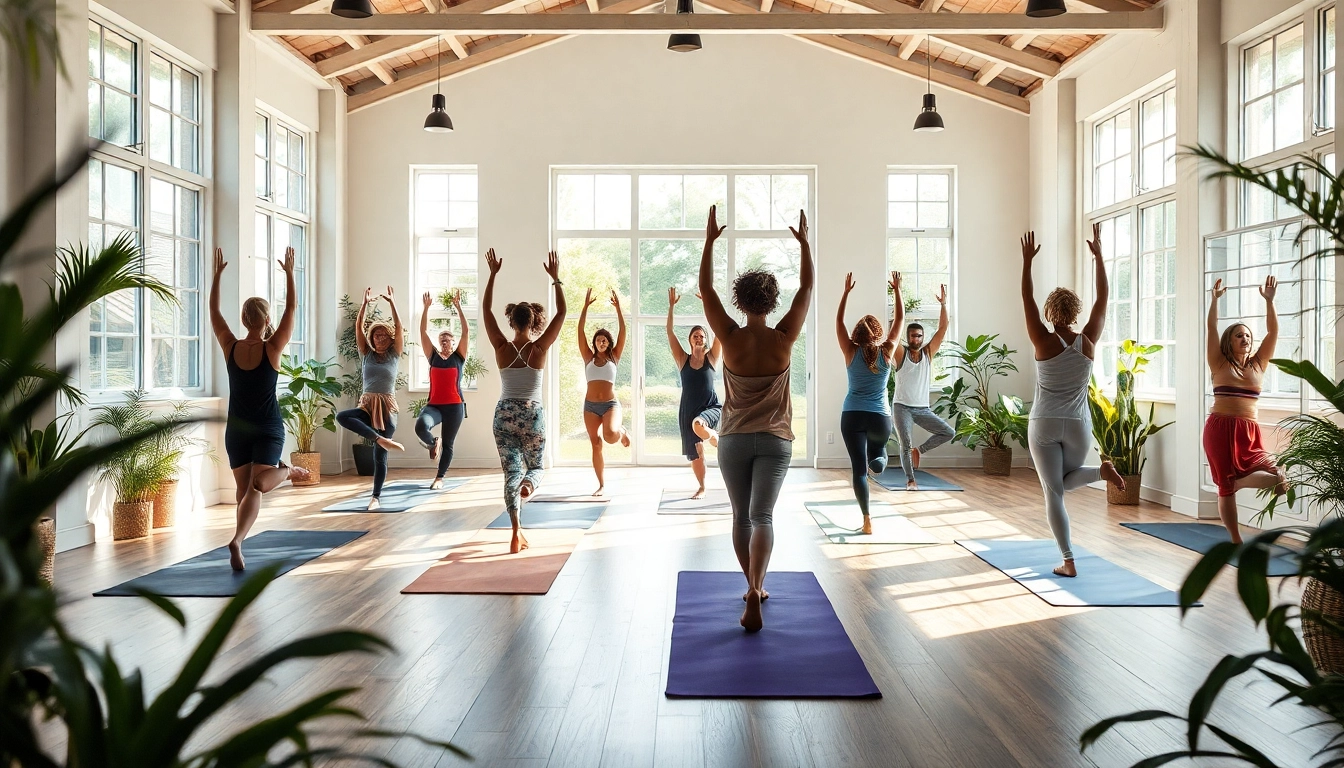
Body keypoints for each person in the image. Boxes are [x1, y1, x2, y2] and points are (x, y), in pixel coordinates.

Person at [700, 204, 813, 632]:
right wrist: (804, 245)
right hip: (775, 439)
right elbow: (807, 286)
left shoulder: (729, 337)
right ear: (772, 301)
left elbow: (705, 289)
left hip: (732, 439)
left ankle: (749, 585)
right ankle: (757, 586)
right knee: (763, 516)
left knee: (740, 517)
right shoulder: (784, 338)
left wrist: (710, 241)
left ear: (740, 300)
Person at [1021, 226, 1125, 577]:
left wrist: (1027, 262)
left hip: (1045, 422)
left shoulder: (1042, 340)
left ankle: (1068, 561)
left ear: (1050, 313)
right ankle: (1099, 472)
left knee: (1054, 492)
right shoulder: (1088, 341)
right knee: (1063, 482)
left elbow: (1026, 298)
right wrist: (1099, 257)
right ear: (1076, 311)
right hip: (1079, 426)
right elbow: (1103, 298)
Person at [209, 246, 310, 570]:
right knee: (258, 485)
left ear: (243, 320)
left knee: (244, 489)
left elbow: (214, 312)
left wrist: (217, 276)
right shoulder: (273, 347)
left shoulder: (230, 345)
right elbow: (291, 308)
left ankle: (240, 540)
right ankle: (287, 473)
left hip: (237, 429)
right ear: (267, 320)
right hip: (267, 427)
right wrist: (290, 274)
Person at [482, 247, 567, 554]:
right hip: (532, 415)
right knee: (536, 468)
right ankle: (529, 485)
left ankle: (516, 530)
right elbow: (562, 313)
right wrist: (555, 278)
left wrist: (492, 275)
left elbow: (485, 310)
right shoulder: (539, 349)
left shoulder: (501, 346)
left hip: (504, 414)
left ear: (512, 321)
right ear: (533, 322)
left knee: (510, 474)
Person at [1204, 276, 1288, 543]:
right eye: (1239, 335)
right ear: (1229, 341)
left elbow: (1273, 333)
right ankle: (1235, 540)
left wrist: (1270, 302)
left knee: (1278, 476)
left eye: (1248, 336)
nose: (1245, 338)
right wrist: (1214, 300)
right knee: (1225, 488)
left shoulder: (1258, 364)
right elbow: (1211, 328)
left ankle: (1236, 482)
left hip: (1248, 431)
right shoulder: (1218, 362)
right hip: (1220, 428)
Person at [836, 270, 903, 533]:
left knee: (858, 470)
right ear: (878, 333)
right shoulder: (887, 352)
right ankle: (880, 460)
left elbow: (838, 321)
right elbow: (900, 319)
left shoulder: (849, 350)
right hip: (879, 417)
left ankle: (866, 520)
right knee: (878, 451)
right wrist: (896, 290)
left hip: (852, 415)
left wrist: (845, 293)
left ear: (856, 335)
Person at [335, 287, 406, 510]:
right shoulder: (366, 354)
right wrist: (364, 304)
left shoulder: (394, 354)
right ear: (372, 338)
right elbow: (358, 326)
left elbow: (399, 328)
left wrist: (392, 302)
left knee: (379, 457)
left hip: (387, 408)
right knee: (342, 416)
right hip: (366, 406)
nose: (380, 338)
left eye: (384, 335)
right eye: (376, 335)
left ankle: (375, 497)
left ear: (390, 338)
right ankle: (379, 438)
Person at [891, 283, 956, 490]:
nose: (916, 338)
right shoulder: (901, 353)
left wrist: (943, 304)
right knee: (905, 444)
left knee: (948, 432)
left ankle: (919, 451)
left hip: (922, 409)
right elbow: (896, 325)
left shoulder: (928, 353)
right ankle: (911, 481)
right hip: (902, 407)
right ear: (908, 337)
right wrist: (898, 291)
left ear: (922, 337)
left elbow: (943, 328)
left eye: (919, 335)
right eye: (913, 335)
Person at [666, 287, 723, 500]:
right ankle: (702, 486)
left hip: (710, 406)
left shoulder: (712, 357)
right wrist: (671, 307)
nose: (699, 338)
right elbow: (670, 333)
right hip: (688, 409)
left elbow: (719, 328)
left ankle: (716, 438)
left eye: (702, 336)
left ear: (705, 340)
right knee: (697, 453)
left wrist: (708, 302)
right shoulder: (683, 359)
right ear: (690, 340)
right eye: (695, 336)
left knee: (699, 424)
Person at [578, 288, 631, 496]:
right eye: (598, 339)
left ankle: (622, 432)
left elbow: (623, 332)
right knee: (596, 444)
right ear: (594, 343)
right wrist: (584, 308)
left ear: (609, 344)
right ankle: (601, 485)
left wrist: (618, 309)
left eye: (605, 340)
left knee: (610, 436)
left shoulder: (614, 357)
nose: (601, 342)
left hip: (610, 405)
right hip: (590, 407)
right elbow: (580, 331)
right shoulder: (588, 357)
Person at [416, 289, 469, 490]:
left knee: (448, 444)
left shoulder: (459, 358)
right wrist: (426, 308)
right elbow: (423, 333)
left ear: (454, 342)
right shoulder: (433, 357)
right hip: (434, 406)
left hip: (455, 407)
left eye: (449, 338)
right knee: (421, 426)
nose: (445, 340)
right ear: (439, 343)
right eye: (442, 339)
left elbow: (466, 332)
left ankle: (439, 478)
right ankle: (432, 442)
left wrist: (458, 307)